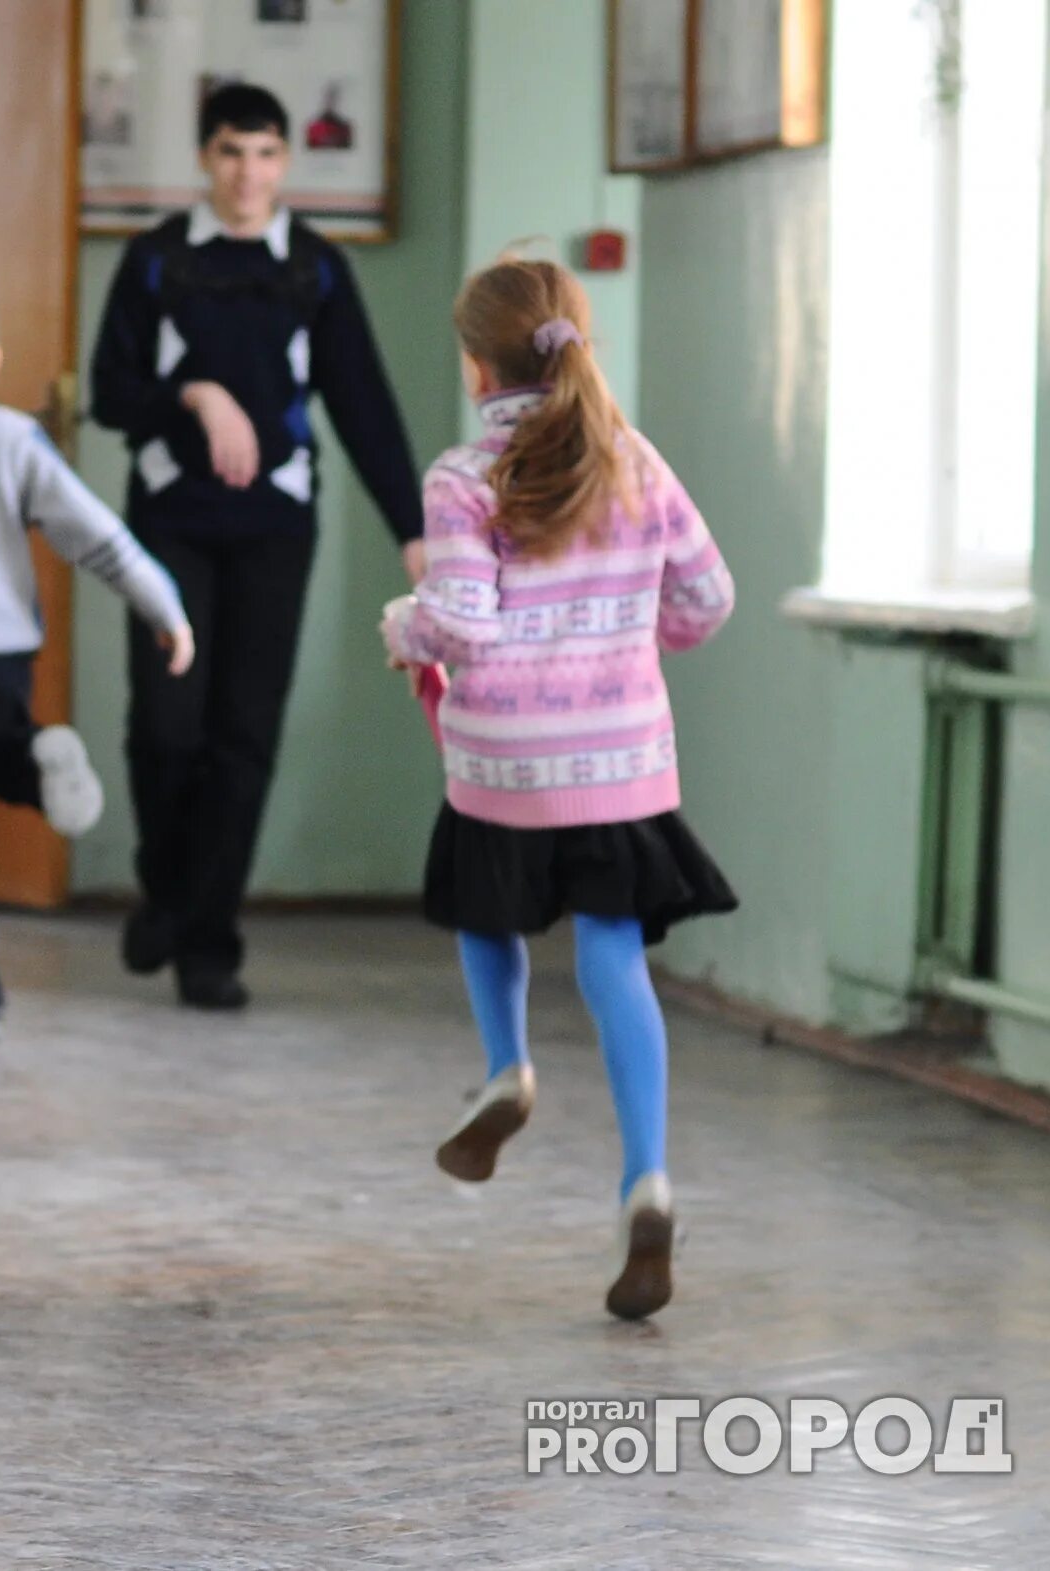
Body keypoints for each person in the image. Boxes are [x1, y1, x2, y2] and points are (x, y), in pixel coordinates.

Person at [381, 258, 737, 1322]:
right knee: (610, 948)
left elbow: (459, 619)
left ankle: (506, 1067)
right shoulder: (633, 461)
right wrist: (644, 635)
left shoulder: (461, 475)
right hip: (617, 759)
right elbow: (706, 599)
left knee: (483, 911)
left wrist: (402, 626)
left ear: (473, 361)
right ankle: (647, 1177)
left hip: (500, 760)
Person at [91, 81, 421, 1011]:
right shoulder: (157, 261)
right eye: (232, 152)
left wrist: (412, 530)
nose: (249, 172)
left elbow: (362, 404)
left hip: (275, 528)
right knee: (166, 728)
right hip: (166, 525)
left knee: (243, 736)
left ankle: (207, 943)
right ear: (205, 158)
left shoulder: (314, 269)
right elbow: (110, 393)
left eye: (267, 153)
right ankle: (166, 885)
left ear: (287, 162)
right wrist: (195, 392)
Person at [0, 280, 195, 1057]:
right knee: (1, 752)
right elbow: (95, 533)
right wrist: (165, 607)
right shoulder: (16, 439)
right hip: (1, 653)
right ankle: (37, 758)